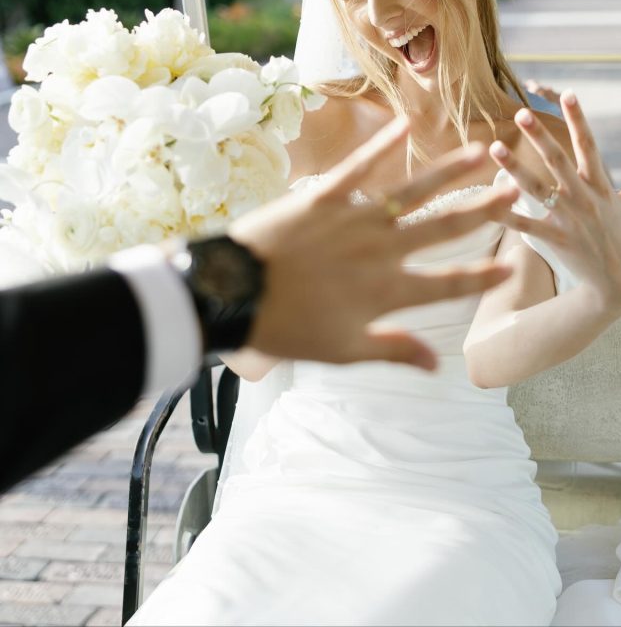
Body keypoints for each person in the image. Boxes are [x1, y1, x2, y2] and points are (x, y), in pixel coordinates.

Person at [130, 0, 621, 627]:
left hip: (458, 498)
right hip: (293, 494)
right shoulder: (301, 123)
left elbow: (488, 355)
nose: (379, 13)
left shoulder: (537, 144)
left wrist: (613, 294)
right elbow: (250, 360)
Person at [1, 117, 518, 492]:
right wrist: (203, 273)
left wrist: (204, 285)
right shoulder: (304, 128)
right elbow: (251, 362)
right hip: (304, 464)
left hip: (456, 467)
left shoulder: (517, 141)